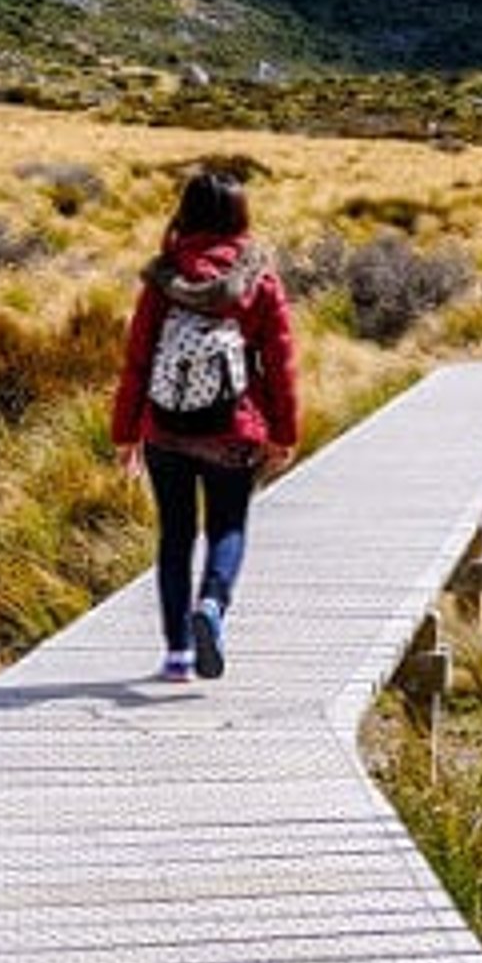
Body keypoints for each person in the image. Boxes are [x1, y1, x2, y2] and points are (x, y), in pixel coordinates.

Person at [109, 172, 300, 681]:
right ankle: (211, 607)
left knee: (175, 536)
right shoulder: (258, 278)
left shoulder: (163, 278)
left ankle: (177, 655)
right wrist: (284, 433)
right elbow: (280, 363)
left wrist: (126, 433)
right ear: (240, 215)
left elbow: (138, 361)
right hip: (232, 432)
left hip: (164, 429)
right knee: (227, 527)